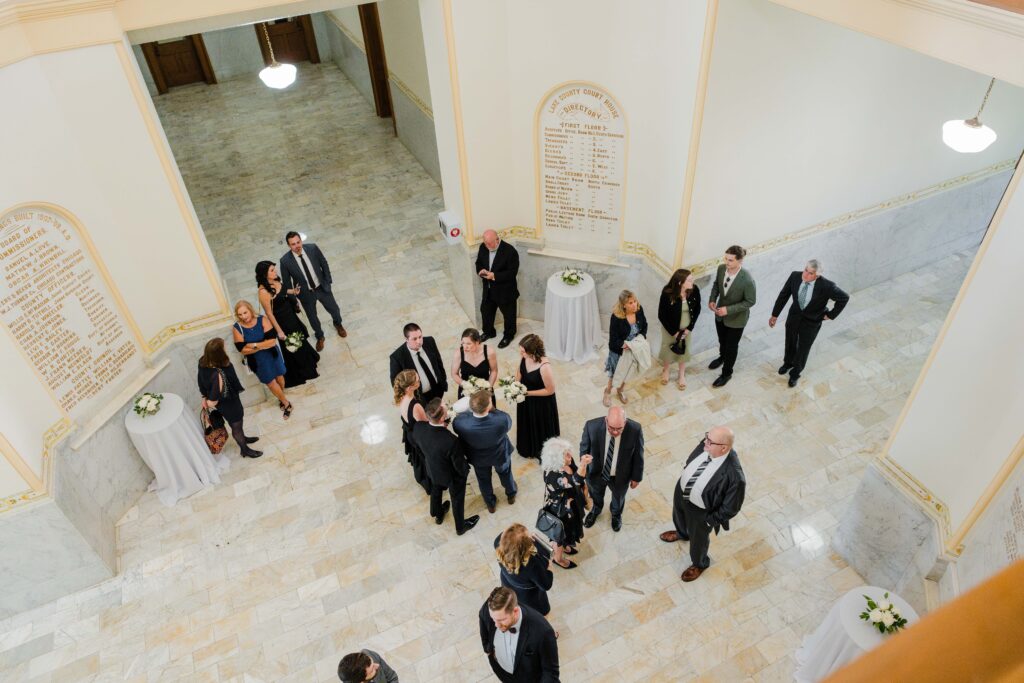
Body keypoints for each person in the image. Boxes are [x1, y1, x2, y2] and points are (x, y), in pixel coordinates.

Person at [659, 426, 746, 582]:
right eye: (706, 437)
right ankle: (682, 533)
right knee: (678, 515)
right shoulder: (708, 444)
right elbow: (693, 457)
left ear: (723, 448)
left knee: (698, 540)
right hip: (682, 492)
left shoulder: (735, 476)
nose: (705, 442)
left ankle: (700, 563)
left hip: (701, 510)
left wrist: (708, 521)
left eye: (710, 441)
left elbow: (731, 508)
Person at [769, 259, 850, 388]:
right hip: (794, 317)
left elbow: (844, 298)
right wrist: (775, 315)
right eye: (805, 270)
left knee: (803, 347)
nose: (805, 274)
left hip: (812, 321)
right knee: (790, 341)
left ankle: (795, 373)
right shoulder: (795, 276)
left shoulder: (827, 286)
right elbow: (783, 295)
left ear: (817, 275)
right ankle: (788, 363)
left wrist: (830, 315)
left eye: (810, 273)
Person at [414, 398, 480, 535]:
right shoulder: (451, 441)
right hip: (452, 476)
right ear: (442, 418)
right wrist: (465, 472)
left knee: (436, 490)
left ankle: (438, 514)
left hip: (433, 469)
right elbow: (459, 465)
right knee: (457, 498)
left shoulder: (418, 428)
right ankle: (460, 527)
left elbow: (419, 448)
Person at [278, 231, 347, 352]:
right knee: (312, 318)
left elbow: (323, 263)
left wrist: (328, 281)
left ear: (301, 241)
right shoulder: (285, 261)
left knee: (334, 309)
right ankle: (319, 336)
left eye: (298, 242)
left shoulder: (313, 248)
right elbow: (287, 283)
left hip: (322, 288)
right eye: (293, 244)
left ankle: (338, 324)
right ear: (289, 246)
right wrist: (294, 301)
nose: (297, 246)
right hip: (306, 294)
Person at [255, 260, 320, 388]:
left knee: (300, 340)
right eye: (272, 270)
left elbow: (283, 290)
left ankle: (309, 362)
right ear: (264, 274)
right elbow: (269, 314)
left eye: (274, 269)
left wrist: (294, 291)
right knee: (294, 346)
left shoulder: (275, 280)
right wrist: (279, 331)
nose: (275, 271)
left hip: (291, 315)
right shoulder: (263, 292)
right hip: (283, 322)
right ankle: (303, 371)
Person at [453, 390, 518, 514]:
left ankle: (490, 504)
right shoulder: (502, 420)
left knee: (483, 480)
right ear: (488, 406)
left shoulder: (460, 422)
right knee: (505, 473)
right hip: (499, 454)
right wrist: (493, 410)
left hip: (478, 458)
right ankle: (511, 495)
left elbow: (457, 428)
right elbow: (507, 423)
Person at [580, 406, 643, 532]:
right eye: (611, 428)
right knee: (595, 494)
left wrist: (636, 477)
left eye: (619, 428)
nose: (615, 432)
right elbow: (584, 448)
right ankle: (595, 510)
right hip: (596, 472)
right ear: (606, 420)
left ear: (625, 422)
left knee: (619, 497)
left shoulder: (635, 429)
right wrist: (584, 464)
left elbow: (638, 455)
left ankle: (616, 514)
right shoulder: (591, 426)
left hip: (621, 475)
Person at [197, 338, 262, 458]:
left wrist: (203, 396)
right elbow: (212, 402)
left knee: (236, 424)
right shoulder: (217, 375)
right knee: (236, 425)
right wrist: (208, 400)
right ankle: (244, 450)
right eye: (223, 347)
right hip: (228, 403)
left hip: (228, 400)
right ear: (219, 353)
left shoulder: (203, 362)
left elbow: (200, 380)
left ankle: (243, 438)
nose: (225, 348)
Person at [478, 587, 559, 682]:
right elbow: (482, 617)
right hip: (504, 675)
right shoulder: (490, 609)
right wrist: (488, 649)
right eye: (493, 619)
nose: (496, 625)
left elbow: (550, 674)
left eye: (501, 620)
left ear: (515, 611)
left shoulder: (543, 632)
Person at [232, 300, 292, 419]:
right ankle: (286, 403)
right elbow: (242, 349)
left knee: (279, 376)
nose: (243, 316)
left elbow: (272, 341)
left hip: (272, 354)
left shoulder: (262, 319)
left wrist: (253, 345)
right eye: (240, 314)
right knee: (270, 382)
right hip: (257, 361)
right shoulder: (237, 327)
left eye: (245, 312)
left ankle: (281, 398)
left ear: (250, 310)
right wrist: (262, 345)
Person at [708, 245, 757, 387]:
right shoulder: (721, 269)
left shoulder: (747, 280)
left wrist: (728, 310)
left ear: (740, 261)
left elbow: (750, 301)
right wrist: (712, 299)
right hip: (720, 315)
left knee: (731, 347)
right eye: (726, 259)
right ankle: (722, 357)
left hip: (737, 320)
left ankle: (726, 373)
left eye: (730, 260)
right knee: (722, 341)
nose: (726, 262)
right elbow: (716, 285)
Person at [540, 437, 591, 570]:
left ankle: (566, 545)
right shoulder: (553, 475)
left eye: (568, 451)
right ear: (556, 459)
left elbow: (578, 477)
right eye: (565, 454)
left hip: (571, 505)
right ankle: (558, 558)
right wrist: (583, 464)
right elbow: (576, 480)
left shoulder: (568, 461)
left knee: (568, 533)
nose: (570, 455)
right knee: (560, 536)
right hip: (561, 511)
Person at [494, 523, 554, 616]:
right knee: (540, 615)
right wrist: (550, 568)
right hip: (528, 597)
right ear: (525, 547)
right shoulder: (531, 565)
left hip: (508, 584)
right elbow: (546, 585)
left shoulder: (497, 543)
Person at [515, 334, 559, 460]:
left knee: (540, 426)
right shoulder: (524, 357)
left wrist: (527, 393)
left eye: (523, 351)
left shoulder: (545, 367)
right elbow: (519, 371)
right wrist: (515, 385)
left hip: (540, 403)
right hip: (525, 399)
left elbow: (550, 390)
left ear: (532, 351)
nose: (521, 353)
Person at [657, 268, 701, 390]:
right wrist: (674, 333)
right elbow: (661, 315)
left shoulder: (694, 290)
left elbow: (697, 309)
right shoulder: (667, 293)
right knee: (667, 349)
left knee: (684, 351)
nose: (693, 281)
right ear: (680, 282)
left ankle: (681, 375)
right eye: (689, 280)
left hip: (686, 329)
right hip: (670, 329)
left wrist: (689, 329)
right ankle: (666, 370)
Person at [476, 229, 520, 348]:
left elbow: (512, 273)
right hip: (489, 290)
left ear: (497, 239)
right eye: (485, 243)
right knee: (485, 311)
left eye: (489, 243)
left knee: (509, 315)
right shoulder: (483, 247)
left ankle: (508, 336)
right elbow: (478, 263)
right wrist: (480, 270)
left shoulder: (510, 251)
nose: (487, 246)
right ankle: (489, 332)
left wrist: (494, 276)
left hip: (505, 291)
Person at [604, 290, 648, 406]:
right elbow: (613, 339)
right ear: (624, 305)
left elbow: (644, 326)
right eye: (630, 303)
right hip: (619, 351)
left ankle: (620, 390)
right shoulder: (616, 317)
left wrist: (641, 337)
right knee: (615, 374)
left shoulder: (639, 310)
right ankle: (607, 392)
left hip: (634, 348)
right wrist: (624, 345)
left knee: (628, 372)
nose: (634, 305)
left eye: (635, 301)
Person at [394, 370, 431, 495]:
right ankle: (430, 483)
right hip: (418, 436)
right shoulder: (415, 406)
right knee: (426, 460)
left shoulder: (401, 397)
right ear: (410, 387)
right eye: (418, 381)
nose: (420, 382)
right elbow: (426, 424)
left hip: (410, 432)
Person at [389, 323, 447, 403]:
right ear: (406, 339)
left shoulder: (430, 341)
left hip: (438, 389)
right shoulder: (397, 357)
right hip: (419, 397)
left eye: (420, 337)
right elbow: (395, 383)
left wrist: (443, 381)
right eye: (414, 339)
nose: (419, 341)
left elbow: (439, 362)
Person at [452, 328, 498, 402]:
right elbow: (454, 374)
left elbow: (494, 371)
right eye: (463, 343)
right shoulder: (458, 354)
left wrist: (488, 388)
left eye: (468, 344)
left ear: (477, 342)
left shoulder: (489, 352)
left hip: (485, 389)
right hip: (467, 390)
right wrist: (465, 385)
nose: (465, 347)